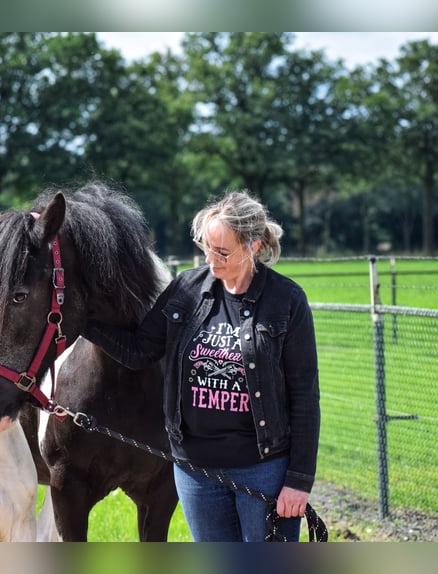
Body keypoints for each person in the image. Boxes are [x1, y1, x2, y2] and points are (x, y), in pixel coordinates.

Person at [83, 190, 320, 542]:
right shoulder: (187, 290)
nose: (211, 259)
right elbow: (138, 350)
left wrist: (298, 481)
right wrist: (80, 321)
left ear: (254, 247)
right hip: (196, 472)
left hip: (263, 469)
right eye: (205, 247)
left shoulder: (286, 301)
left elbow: (304, 396)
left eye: (223, 251)